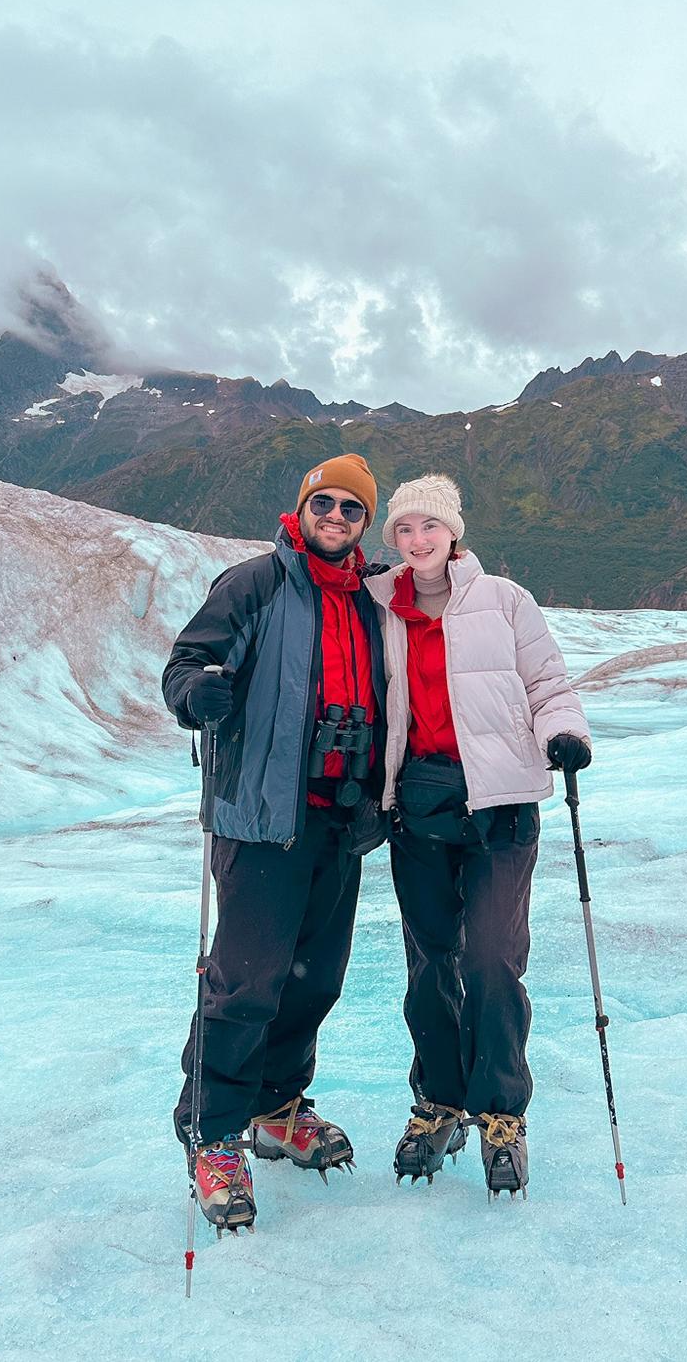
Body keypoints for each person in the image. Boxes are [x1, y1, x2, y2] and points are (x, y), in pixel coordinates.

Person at [162, 453, 388, 1232]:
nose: (335, 517)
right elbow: (186, 662)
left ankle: (277, 1106)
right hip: (261, 816)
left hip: (341, 814)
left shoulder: (371, 597)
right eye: (323, 504)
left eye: (351, 509)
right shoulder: (255, 583)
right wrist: (197, 693)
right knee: (246, 980)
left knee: (314, 975)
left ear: (365, 522)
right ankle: (214, 1132)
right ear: (303, 510)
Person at [365, 474, 591, 1199]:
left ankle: (500, 1113)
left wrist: (564, 734)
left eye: (428, 527)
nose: (417, 541)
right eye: (403, 530)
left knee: (492, 961)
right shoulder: (382, 609)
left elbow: (547, 684)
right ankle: (439, 1103)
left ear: (453, 532)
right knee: (431, 962)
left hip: (501, 805)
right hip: (421, 803)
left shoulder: (505, 600)